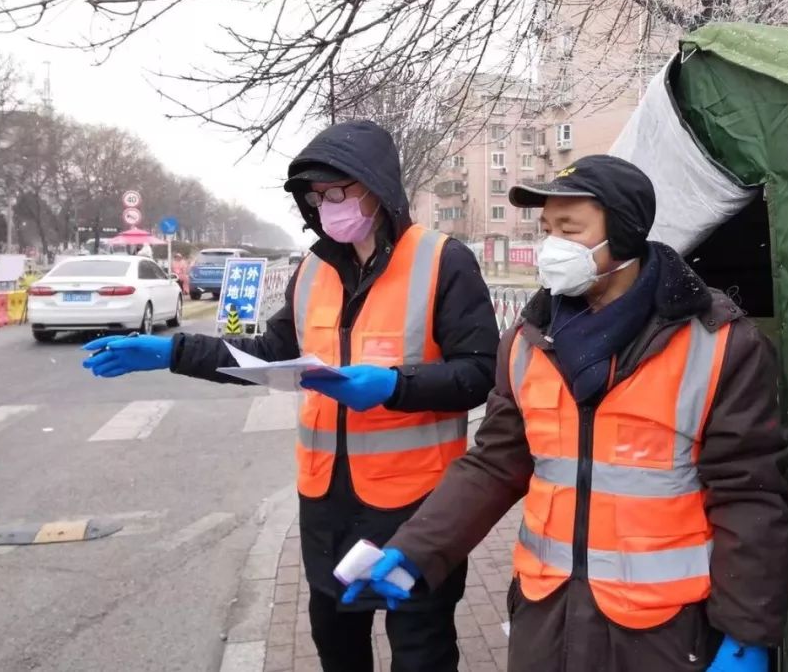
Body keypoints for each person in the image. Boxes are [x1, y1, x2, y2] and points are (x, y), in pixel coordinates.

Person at [345, 155, 788, 672]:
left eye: (570, 228)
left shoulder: (720, 345)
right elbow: (494, 463)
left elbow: (751, 495)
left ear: (624, 235)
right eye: (546, 230)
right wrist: (417, 548)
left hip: (664, 632)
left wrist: (746, 635)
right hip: (547, 619)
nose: (552, 246)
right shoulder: (527, 341)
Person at [81, 120, 500, 672]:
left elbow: (480, 373)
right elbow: (267, 355)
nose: (327, 206)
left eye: (339, 192)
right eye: (317, 197)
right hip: (327, 502)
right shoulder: (313, 269)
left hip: (416, 506)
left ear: (377, 188)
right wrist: (171, 352)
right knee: (336, 642)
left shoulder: (443, 261)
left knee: (421, 648)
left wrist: (394, 386)